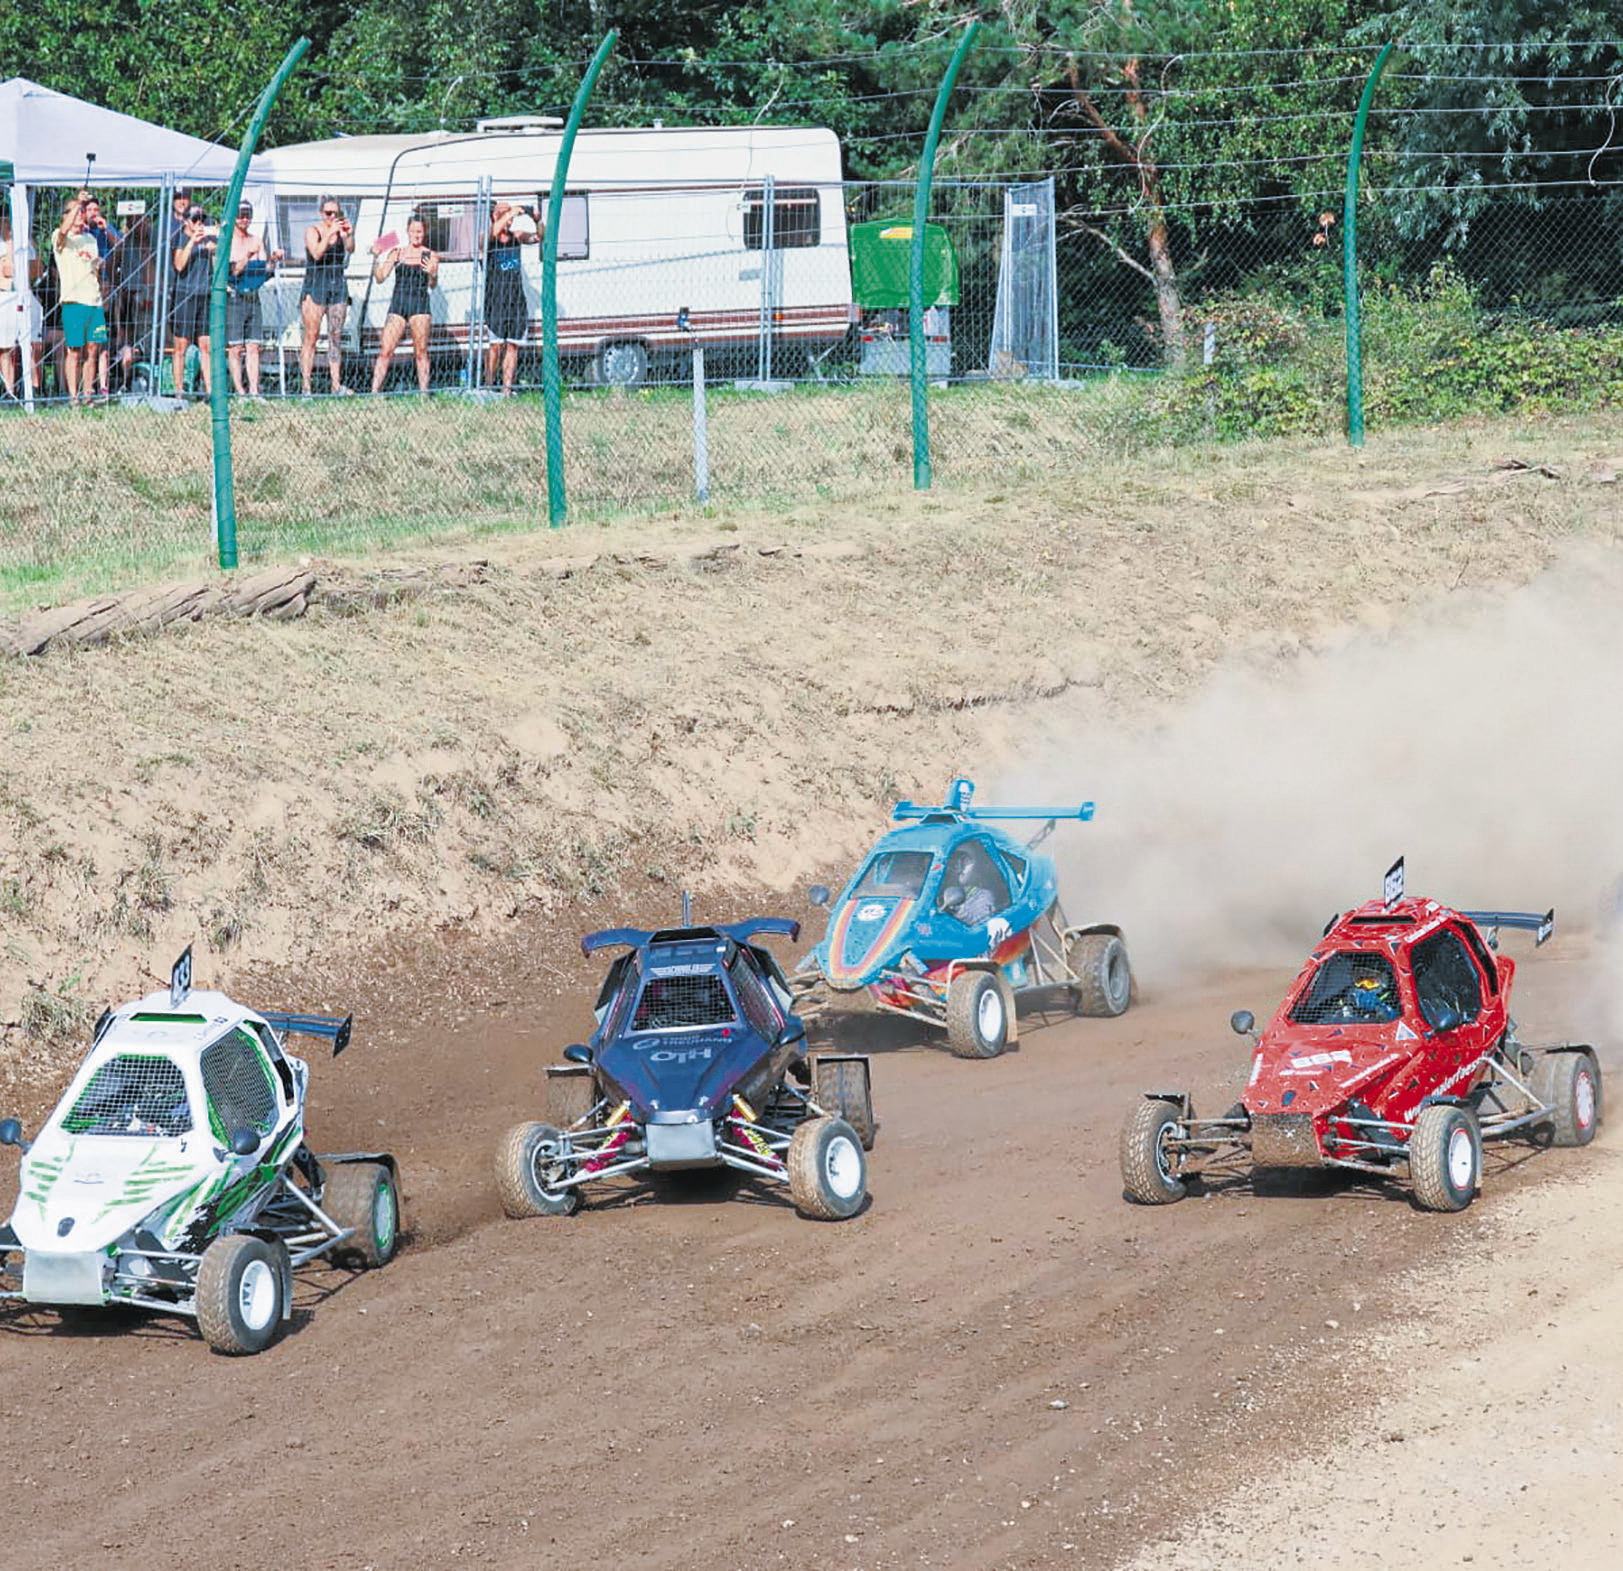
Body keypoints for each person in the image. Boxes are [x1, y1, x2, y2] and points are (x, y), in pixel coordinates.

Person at [370, 215, 438, 396]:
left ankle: (424, 393)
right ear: (407, 231)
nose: (417, 235)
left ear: (425, 232)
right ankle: (374, 392)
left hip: (420, 305)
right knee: (385, 350)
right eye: (414, 231)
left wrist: (432, 274)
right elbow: (380, 277)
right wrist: (375, 259)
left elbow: (432, 285)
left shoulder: (430, 255)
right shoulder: (397, 252)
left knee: (421, 352)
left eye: (420, 231)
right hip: (398, 304)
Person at [52, 193, 107, 406]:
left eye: (82, 211)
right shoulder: (60, 236)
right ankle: (73, 397)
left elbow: (94, 268)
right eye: (77, 210)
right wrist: (78, 200)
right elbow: (64, 231)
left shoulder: (90, 239)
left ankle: (88, 395)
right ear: (67, 214)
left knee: (93, 349)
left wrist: (98, 266)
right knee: (74, 349)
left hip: (94, 300)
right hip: (74, 301)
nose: (81, 214)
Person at [226, 202, 283, 398]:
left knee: (253, 345)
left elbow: (266, 273)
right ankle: (240, 391)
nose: (244, 219)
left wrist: (273, 260)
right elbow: (232, 272)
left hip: (253, 296)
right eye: (241, 215)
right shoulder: (228, 242)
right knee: (235, 347)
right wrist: (247, 256)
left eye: (247, 215)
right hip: (234, 297)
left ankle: (254, 390)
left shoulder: (257, 241)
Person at [483, 201, 539, 394]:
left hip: (516, 300)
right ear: (494, 216)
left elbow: (538, 236)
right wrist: (511, 212)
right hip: (495, 300)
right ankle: (489, 387)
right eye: (501, 213)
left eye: (508, 214)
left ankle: (507, 390)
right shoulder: (487, 238)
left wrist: (536, 218)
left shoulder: (516, 236)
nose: (507, 218)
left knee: (513, 346)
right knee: (495, 346)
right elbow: (492, 233)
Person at [300, 195, 354, 395]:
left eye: (336, 213)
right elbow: (316, 253)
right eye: (328, 213)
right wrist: (330, 233)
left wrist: (348, 235)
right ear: (321, 213)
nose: (332, 216)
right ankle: (306, 387)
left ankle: (336, 385)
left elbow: (350, 249)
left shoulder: (340, 232)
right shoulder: (312, 231)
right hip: (316, 286)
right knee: (311, 337)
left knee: (336, 336)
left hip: (337, 285)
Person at [171, 202, 218, 398]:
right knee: (181, 345)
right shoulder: (180, 238)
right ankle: (179, 391)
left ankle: (210, 390)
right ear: (186, 220)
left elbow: (224, 248)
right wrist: (193, 241)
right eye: (195, 219)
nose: (199, 223)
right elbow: (179, 265)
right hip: (184, 294)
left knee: (206, 344)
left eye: (202, 219)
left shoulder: (208, 239)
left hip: (204, 294)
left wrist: (216, 235)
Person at [81, 195, 122, 400]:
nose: (94, 214)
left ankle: (104, 387)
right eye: (90, 210)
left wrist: (107, 228)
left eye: (96, 209)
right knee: (87, 344)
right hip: (86, 291)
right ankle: (86, 387)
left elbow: (121, 245)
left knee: (102, 341)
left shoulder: (105, 229)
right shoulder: (80, 231)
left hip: (106, 290)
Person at [0, 211, 43, 403]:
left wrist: (19, 267)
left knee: (33, 344)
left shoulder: (27, 243)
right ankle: (10, 391)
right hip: (5, 296)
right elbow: (7, 272)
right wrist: (9, 243)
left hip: (26, 294)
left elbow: (37, 270)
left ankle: (35, 388)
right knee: (6, 346)